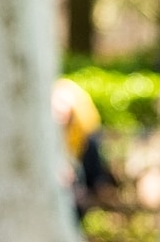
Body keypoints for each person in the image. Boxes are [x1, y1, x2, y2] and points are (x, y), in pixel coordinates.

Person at [52, 77, 117, 220]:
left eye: (64, 104)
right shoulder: (46, 138)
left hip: (74, 205)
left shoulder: (87, 142)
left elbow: (97, 179)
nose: (60, 109)